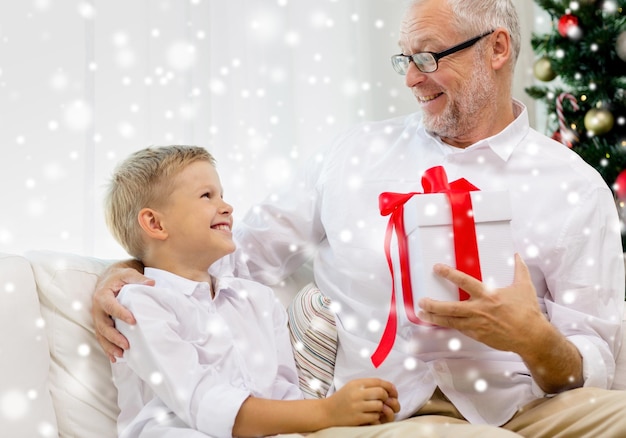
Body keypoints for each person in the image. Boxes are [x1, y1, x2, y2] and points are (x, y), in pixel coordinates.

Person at [94, 0, 626, 436]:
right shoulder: (354, 156)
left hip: (529, 410)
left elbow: (598, 358)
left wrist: (536, 341)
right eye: (404, 60)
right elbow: (237, 257)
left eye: (429, 57)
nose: (412, 80)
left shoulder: (573, 187)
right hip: (381, 410)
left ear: (497, 48)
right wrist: (134, 270)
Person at [102, 145, 401, 438]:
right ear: (155, 223)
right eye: (207, 196)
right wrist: (328, 411)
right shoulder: (139, 304)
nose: (227, 207)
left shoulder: (258, 300)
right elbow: (201, 402)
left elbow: (284, 393)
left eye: (222, 195)